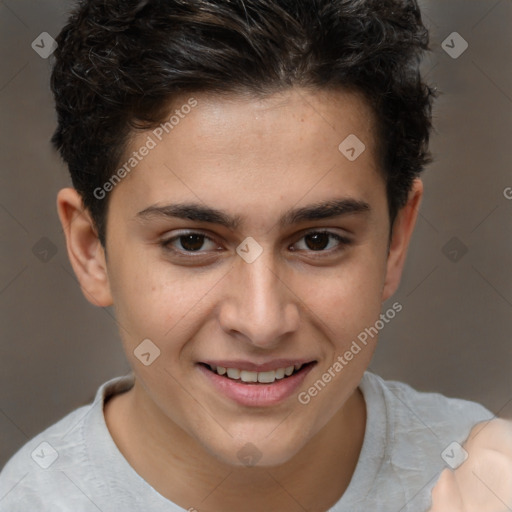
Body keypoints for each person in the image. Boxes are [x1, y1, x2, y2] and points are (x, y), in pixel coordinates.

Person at [0, 0, 509, 510]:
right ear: (92, 252)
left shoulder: (485, 477)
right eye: (192, 242)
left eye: (318, 240)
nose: (262, 323)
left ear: (395, 242)